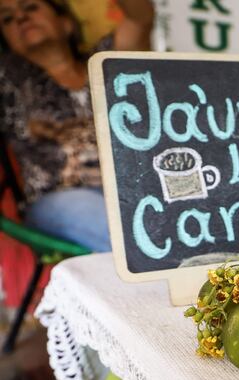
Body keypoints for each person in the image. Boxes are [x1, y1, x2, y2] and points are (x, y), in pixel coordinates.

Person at [0, 0, 154, 252]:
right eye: (7, 19)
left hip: (133, 191)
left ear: (66, 23)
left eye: (31, 8)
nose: (20, 19)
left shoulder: (106, 61)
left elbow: (140, 18)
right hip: (59, 199)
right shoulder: (9, 78)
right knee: (132, 236)